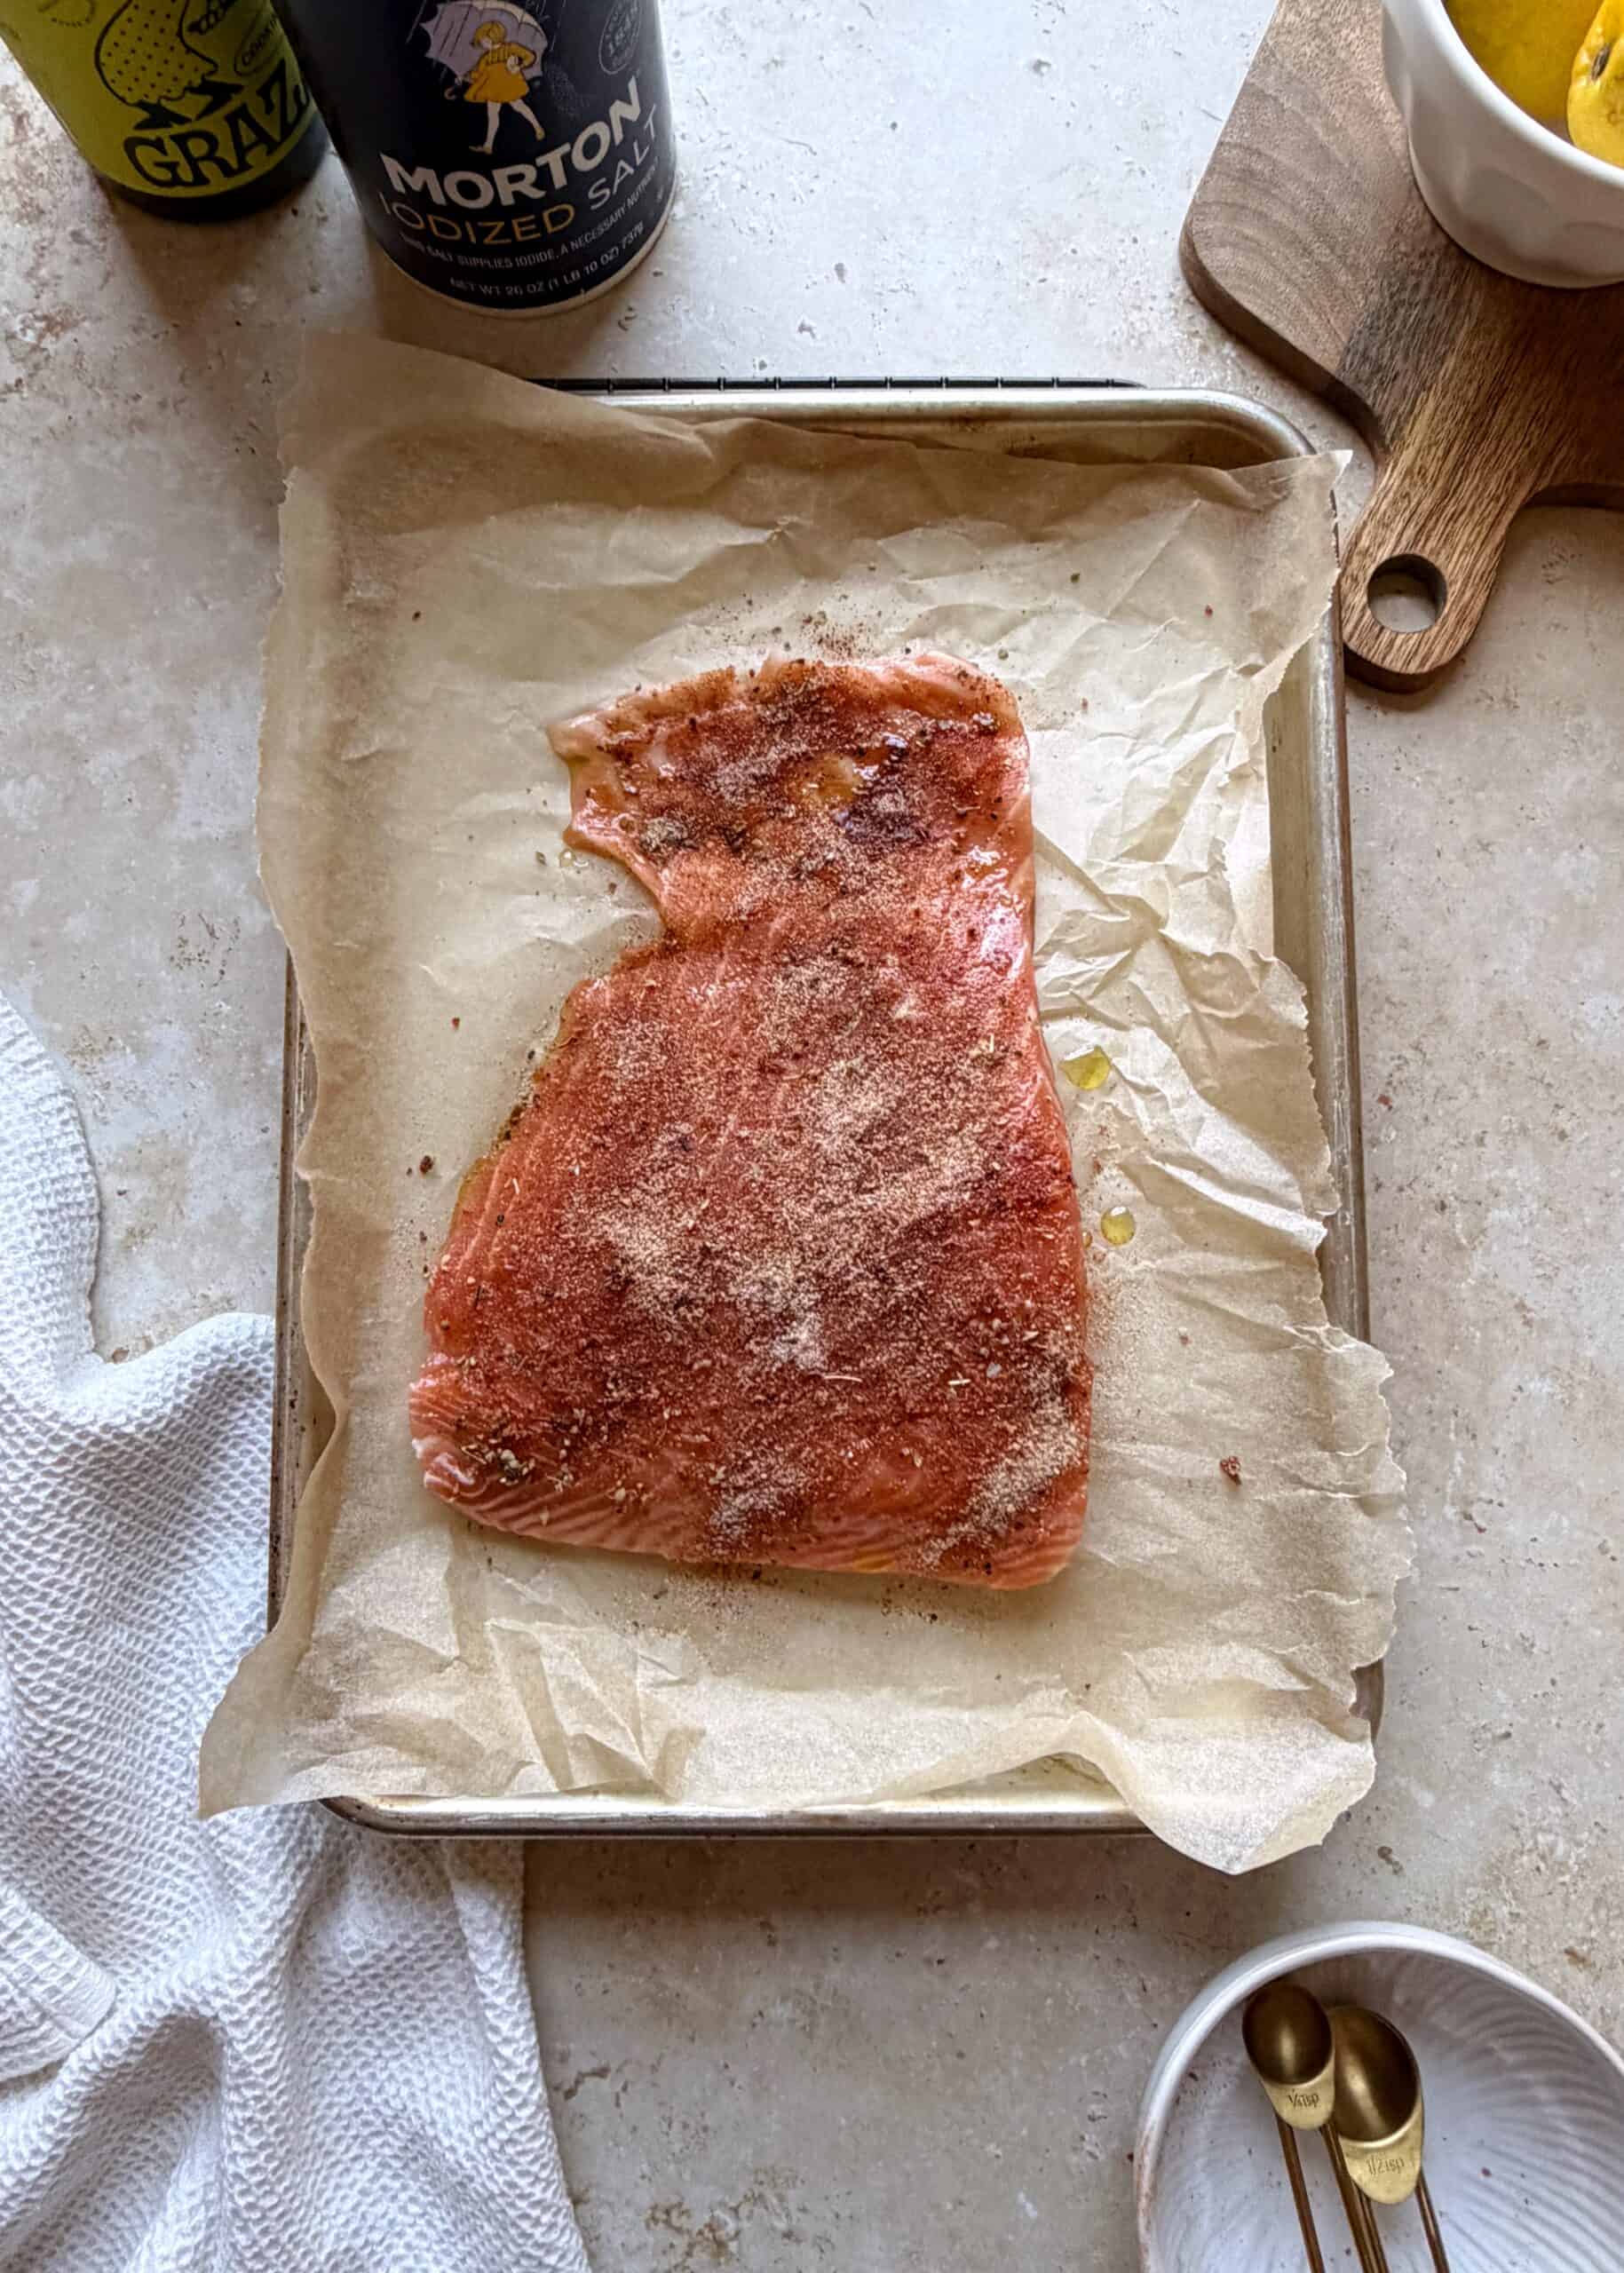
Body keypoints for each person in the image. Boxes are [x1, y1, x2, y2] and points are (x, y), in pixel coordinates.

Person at [454, 18, 545, 154]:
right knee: (492, 114)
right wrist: (463, 77)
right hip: (493, 89)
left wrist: (519, 66)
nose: (482, 43)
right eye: (482, 41)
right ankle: (488, 146)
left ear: (493, 36)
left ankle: (538, 127)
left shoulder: (511, 48)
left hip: (509, 84)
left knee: (519, 106)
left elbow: (530, 57)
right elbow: (477, 74)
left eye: (484, 40)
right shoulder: (486, 58)